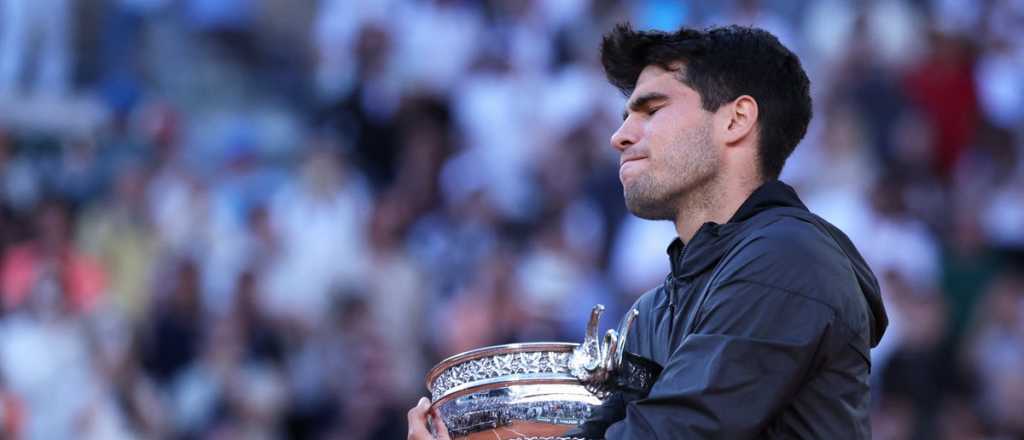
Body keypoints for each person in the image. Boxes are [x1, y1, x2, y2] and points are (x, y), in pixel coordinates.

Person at [409, 24, 888, 439]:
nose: (620, 136)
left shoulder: (788, 259)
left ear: (736, 119)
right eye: (624, 117)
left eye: (651, 110)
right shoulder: (654, 310)